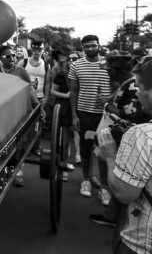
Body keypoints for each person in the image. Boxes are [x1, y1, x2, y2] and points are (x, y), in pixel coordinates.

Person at [97, 58, 152, 254]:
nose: (137, 93)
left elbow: (124, 193)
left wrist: (110, 155)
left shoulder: (143, 135)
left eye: (140, 88)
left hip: (142, 240)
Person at [0, 45, 38, 186]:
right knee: (0, 145)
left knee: (19, 143)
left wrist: (37, 105)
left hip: (17, 113)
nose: (12, 58)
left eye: (14, 56)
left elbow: (30, 89)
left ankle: (18, 172)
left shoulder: (21, 71)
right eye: (8, 56)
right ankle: (0, 171)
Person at [69, 35, 112, 199]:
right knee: (86, 149)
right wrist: (74, 115)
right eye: (86, 46)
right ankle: (85, 179)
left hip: (105, 116)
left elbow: (119, 86)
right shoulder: (76, 65)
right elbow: (73, 91)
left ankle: (104, 187)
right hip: (85, 114)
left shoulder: (108, 64)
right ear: (82, 48)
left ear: (99, 45)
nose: (90, 49)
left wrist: (108, 99)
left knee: (103, 151)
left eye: (93, 45)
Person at [49, 47, 75, 181]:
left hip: (77, 107)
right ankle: (62, 164)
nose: (63, 57)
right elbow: (52, 91)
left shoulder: (77, 72)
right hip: (64, 107)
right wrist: (67, 95)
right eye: (61, 55)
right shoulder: (58, 73)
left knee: (72, 138)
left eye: (67, 56)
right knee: (64, 139)